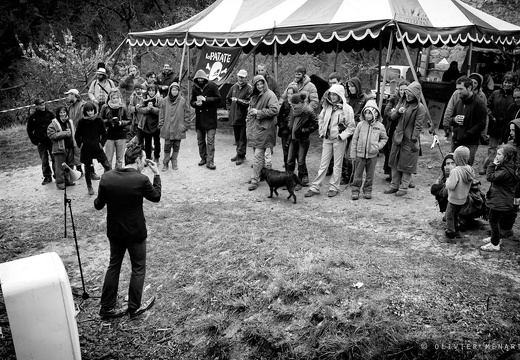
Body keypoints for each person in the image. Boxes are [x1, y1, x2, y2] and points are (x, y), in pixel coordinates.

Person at [94, 143, 161, 319]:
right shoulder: (141, 180)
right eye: (144, 162)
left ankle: (106, 307)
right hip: (135, 233)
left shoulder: (107, 178)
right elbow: (156, 197)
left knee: (113, 266)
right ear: (138, 160)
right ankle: (134, 307)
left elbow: (98, 205)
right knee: (138, 268)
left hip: (115, 232)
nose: (144, 165)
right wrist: (157, 174)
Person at [305, 84, 355, 198]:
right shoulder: (327, 106)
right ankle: (315, 186)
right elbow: (321, 118)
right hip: (327, 139)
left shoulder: (347, 109)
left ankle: (334, 187)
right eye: (331, 94)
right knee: (323, 164)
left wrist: (342, 136)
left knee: (337, 165)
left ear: (340, 95)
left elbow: (351, 126)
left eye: (335, 95)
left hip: (339, 140)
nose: (332, 97)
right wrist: (322, 131)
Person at [384, 81, 425, 197]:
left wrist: (413, 138)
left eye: (410, 93)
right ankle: (394, 185)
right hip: (398, 136)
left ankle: (403, 187)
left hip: (409, 138)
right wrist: (398, 111)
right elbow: (392, 117)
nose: (407, 95)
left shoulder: (420, 108)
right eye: (406, 92)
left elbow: (418, 125)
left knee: (407, 164)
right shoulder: (402, 102)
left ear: (416, 94)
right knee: (394, 161)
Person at [481, 144, 519, 252]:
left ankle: (495, 244)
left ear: (506, 157)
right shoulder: (510, 167)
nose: (496, 156)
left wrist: (492, 165)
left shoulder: (504, 171)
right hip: (503, 200)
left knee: (493, 221)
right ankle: (496, 238)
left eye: (499, 154)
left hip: (499, 201)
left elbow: (490, 177)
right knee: (497, 221)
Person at [443, 76, 487, 166]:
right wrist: (454, 120)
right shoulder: (459, 102)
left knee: (465, 168)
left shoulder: (479, 103)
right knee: (453, 167)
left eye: (461, 89)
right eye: (457, 89)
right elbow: (450, 119)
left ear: (469, 88)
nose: (458, 91)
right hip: (456, 141)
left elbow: (482, 124)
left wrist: (467, 134)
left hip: (470, 143)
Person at [246, 75, 280, 191]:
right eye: (257, 84)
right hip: (256, 129)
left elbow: (275, 110)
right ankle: (262, 176)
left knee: (257, 156)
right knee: (258, 155)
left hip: (265, 129)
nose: (260, 86)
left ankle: (254, 180)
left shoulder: (270, 95)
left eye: (261, 83)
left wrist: (258, 112)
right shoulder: (254, 96)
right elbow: (252, 109)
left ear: (264, 83)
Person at [349, 100, 388, 200]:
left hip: (372, 155)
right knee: (357, 174)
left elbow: (384, 138)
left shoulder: (380, 126)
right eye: (366, 112)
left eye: (370, 113)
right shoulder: (360, 125)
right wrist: (353, 153)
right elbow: (355, 139)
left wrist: (377, 146)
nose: (367, 115)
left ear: (375, 113)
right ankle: (355, 190)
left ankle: (367, 190)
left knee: (369, 175)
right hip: (360, 154)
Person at [481, 72, 517, 174]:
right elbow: (488, 105)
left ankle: (501, 169)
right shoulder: (495, 93)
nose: (507, 84)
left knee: (505, 149)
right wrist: (491, 116)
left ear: (513, 83)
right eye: (506, 82)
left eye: (510, 82)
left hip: (508, 126)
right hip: (495, 124)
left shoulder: (515, 95)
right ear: (503, 82)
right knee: (492, 148)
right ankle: (487, 167)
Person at [74, 102, 111, 195]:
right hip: (86, 148)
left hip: (97, 147)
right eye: (88, 111)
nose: (90, 113)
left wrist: (101, 144)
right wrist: (81, 145)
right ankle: (89, 186)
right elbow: (77, 136)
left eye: (91, 110)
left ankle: (111, 183)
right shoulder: (81, 122)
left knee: (107, 166)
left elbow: (105, 135)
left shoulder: (99, 120)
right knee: (87, 169)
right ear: (85, 112)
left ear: (94, 110)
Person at [286, 92, 319, 190]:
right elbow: (289, 119)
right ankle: (290, 179)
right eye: (291, 105)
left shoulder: (308, 111)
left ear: (300, 103)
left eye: (294, 104)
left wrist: (305, 131)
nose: (292, 106)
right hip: (292, 138)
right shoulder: (293, 110)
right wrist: (289, 126)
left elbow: (316, 123)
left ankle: (301, 180)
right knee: (290, 160)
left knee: (300, 160)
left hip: (303, 139)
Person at [190, 69, 221, 170]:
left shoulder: (212, 86)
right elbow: (192, 101)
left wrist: (206, 100)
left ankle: (210, 161)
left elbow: (219, 99)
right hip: (199, 118)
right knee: (200, 140)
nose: (200, 80)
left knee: (210, 141)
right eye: (198, 78)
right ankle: (203, 158)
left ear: (205, 78)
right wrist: (196, 104)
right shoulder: (194, 88)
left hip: (211, 118)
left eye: (201, 78)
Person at [444, 146, 475, 239]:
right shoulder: (470, 169)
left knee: (449, 215)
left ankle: (450, 231)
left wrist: (447, 179)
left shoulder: (455, 171)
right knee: (456, 214)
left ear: (456, 158)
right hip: (463, 198)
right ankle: (456, 227)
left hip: (454, 198)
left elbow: (451, 186)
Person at [159, 82, 191, 171]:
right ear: (170, 90)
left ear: (178, 91)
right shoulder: (165, 100)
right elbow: (161, 114)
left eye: (176, 90)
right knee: (167, 147)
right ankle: (165, 163)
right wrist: (161, 125)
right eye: (173, 89)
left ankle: (174, 161)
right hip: (167, 128)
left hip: (178, 128)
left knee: (176, 146)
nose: (174, 91)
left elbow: (187, 114)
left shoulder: (183, 101)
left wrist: (186, 125)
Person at [383, 79, 410, 182]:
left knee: (404, 152)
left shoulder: (410, 100)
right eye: (401, 89)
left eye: (405, 90)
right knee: (391, 151)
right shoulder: (394, 99)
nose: (403, 92)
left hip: (405, 128)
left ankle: (404, 176)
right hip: (393, 127)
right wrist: (394, 113)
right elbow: (387, 111)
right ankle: (391, 174)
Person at [226, 69, 253, 165]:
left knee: (242, 137)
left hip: (243, 117)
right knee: (237, 137)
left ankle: (241, 155)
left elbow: (249, 102)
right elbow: (228, 98)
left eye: (242, 77)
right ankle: (238, 153)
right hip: (234, 116)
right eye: (239, 77)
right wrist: (229, 110)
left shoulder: (249, 88)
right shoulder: (234, 87)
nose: (240, 79)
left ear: (246, 78)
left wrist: (238, 101)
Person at [100, 89, 131, 169]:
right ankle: (108, 176)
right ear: (110, 98)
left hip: (121, 135)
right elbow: (99, 120)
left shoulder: (123, 107)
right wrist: (108, 121)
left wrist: (120, 122)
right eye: (113, 98)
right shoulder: (105, 107)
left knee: (119, 159)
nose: (115, 100)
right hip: (109, 135)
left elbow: (129, 120)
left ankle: (118, 177)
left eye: (117, 97)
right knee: (108, 159)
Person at [27, 98, 55, 185]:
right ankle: (47, 176)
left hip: (51, 141)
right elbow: (29, 130)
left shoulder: (50, 114)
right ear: (36, 106)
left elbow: (56, 125)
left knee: (54, 158)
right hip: (40, 142)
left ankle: (57, 175)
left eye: (43, 104)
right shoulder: (33, 117)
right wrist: (35, 141)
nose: (43, 106)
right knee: (44, 160)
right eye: (40, 105)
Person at [47, 106, 76, 190]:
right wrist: (64, 133)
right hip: (59, 149)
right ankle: (60, 183)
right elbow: (51, 135)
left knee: (69, 165)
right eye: (61, 112)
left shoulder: (69, 122)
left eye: (64, 112)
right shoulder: (53, 123)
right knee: (60, 167)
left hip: (70, 147)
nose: (63, 114)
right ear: (57, 114)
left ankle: (68, 180)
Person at [138, 84, 161, 163]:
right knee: (147, 142)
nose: (151, 92)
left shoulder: (159, 99)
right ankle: (148, 157)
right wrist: (147, 109)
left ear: (155, 91)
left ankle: (157, 156)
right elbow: (140, 109)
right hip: (146, 123)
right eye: (150, 91)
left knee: (157, 141)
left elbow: (161, 111)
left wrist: (152, 109)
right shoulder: (143, 98)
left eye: (153, 91)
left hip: (156, 123)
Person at [277, 84, 298, 169]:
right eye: (288, 93)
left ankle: (293, 170)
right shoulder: (285, 103)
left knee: (294, 152)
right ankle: (287, 170)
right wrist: (282, 126)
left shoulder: (298, 104)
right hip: (285, 131)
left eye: (292, 93)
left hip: (295, 132)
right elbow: (279, 117)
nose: (289, 95)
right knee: (285, 152)